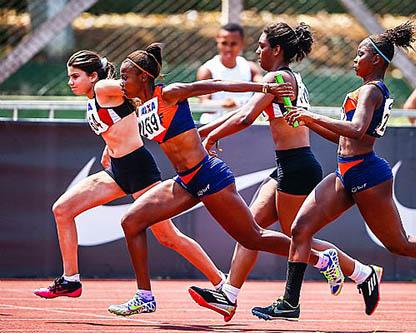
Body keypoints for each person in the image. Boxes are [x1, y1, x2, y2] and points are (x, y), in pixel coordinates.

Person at [252, 21, 416, 322]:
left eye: (360, 53)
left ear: (376, 59)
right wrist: (310, 122)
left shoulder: (372, 91)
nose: (354, 59)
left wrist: (311, 115)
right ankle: (289, 302)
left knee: (398, 243)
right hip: (345, 173)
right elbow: (343, 138)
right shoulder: (364, 90)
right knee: (299, 229)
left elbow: (357, 129)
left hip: (367, 175)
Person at [107, 42, 343, 316]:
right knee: (131, 221)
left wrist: (264, 89)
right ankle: (144, 296)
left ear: (143, 77)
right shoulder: (141, 107)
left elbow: (218, 85)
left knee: (254, 238)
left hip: (209, 176)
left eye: (125, 77)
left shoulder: (169, 93)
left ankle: (321, 259)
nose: (121, 83)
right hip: (184, 182)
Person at [188, 22, 377, 321]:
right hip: (287, 165)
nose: (258, 51)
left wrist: (211, 136)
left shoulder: (277, 76)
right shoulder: (285, 76)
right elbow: (242, 111)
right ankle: (228, 295)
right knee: (250, 228)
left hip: (298, 167)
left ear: (277, 49)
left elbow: (247, 117)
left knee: (298, 240)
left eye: (262, 46)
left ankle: (361, 272)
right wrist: (206, 131)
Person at [34, 50, 227, 310]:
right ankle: (71, 280)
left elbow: (137, 88)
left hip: (138, 169)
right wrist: (109, 146)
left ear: (93, 77)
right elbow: (125, 114)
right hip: (117, 170)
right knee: (63, 210)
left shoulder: (103, 87)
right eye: (69, 76)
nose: (70, 82)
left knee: (169, 237)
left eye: (76, 76)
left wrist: (151, 80)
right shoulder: (96, 95)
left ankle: (220, 283)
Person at [197, 23, 262, 124]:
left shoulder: (250, 68)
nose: (228, 48)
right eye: (224, 43)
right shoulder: (207, 70)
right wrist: (225, 104)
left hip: (243, 125)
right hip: (213, 125)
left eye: (233, 44)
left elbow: (264, 88)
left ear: (242, 43)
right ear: (217, 41)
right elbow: (204, 103)